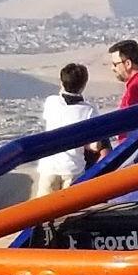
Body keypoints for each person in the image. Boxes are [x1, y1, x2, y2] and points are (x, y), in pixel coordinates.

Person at [33, 62, 97, 196]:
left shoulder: (51, 102)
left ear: (61, 82)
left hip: (49, 166)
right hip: (73, 168)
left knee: (42, 212)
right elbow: (94, 144)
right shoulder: (89, 110)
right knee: (71, 211)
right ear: (84, 85)